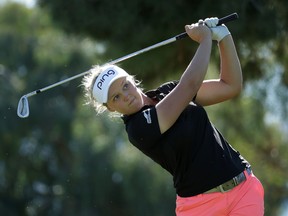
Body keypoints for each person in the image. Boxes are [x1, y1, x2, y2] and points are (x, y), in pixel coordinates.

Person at [82, 17, 264, 216]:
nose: (126, 96)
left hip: (244, 189)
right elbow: (190, 85)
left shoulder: (168, 90)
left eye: (125, 85)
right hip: (199, 207)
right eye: (116, 97)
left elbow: (230, 86)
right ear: (110, 108)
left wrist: (223, 36)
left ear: (132, 80)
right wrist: (205, 40)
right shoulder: (138, 128)